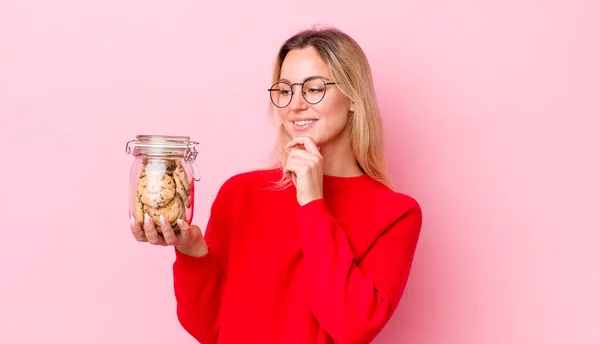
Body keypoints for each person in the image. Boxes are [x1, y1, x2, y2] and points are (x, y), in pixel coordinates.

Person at [130, 25, 423, 344]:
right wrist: (192, 252)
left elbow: (353, 328)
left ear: (353, 97)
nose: (295, 105)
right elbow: (210, 328)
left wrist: (312, 203)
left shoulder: (396, 214)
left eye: (313, 89)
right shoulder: (241, 194)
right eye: (285, 90)